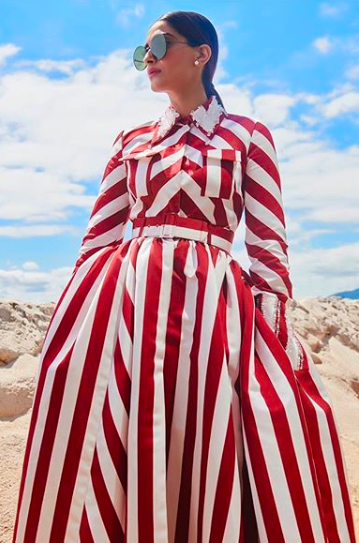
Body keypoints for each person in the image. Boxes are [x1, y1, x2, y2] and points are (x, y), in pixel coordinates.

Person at [12, 10, 356, 543]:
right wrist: (69, 322)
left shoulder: (248, 136)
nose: (145, 59)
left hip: (212, 309)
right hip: (124, 305)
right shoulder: (129, 138)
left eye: (157, 44)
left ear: (202, 54)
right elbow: (98, 238)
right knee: (102, 429)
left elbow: (267, 245)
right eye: (140, 52)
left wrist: (277, 334)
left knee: (218, 432)